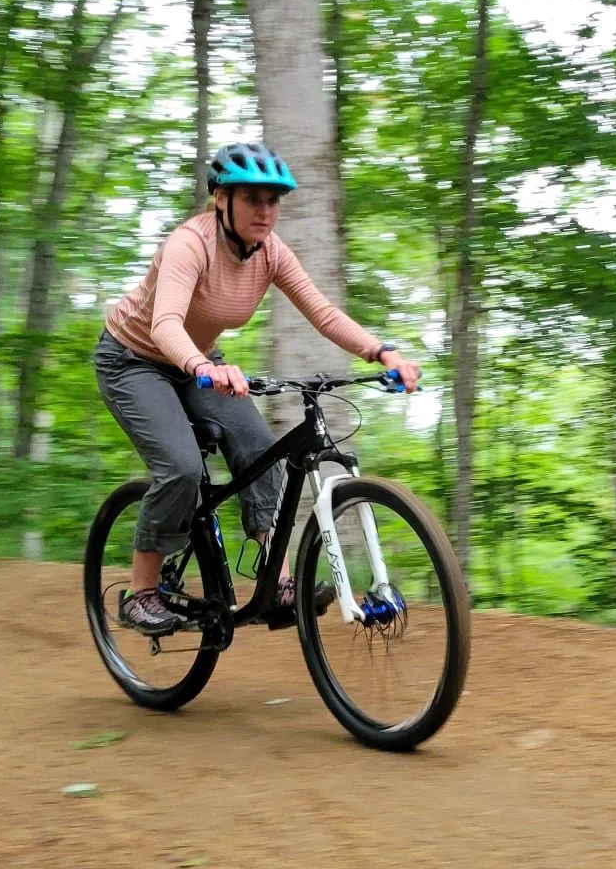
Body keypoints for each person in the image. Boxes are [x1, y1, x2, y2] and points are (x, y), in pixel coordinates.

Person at [94, 142, 420, 635]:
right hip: (133, 360)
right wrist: (201, 365)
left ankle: (277, 583)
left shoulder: (271, 253)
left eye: (273, 201)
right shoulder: (190, 245)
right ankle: (140, 593)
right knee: (181, 467)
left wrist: (382, 352)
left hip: (198, 361)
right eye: (252, 199)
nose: (264, 211)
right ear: (221, 199)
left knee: (261, 451)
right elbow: (164, 324)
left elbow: (323, 313)